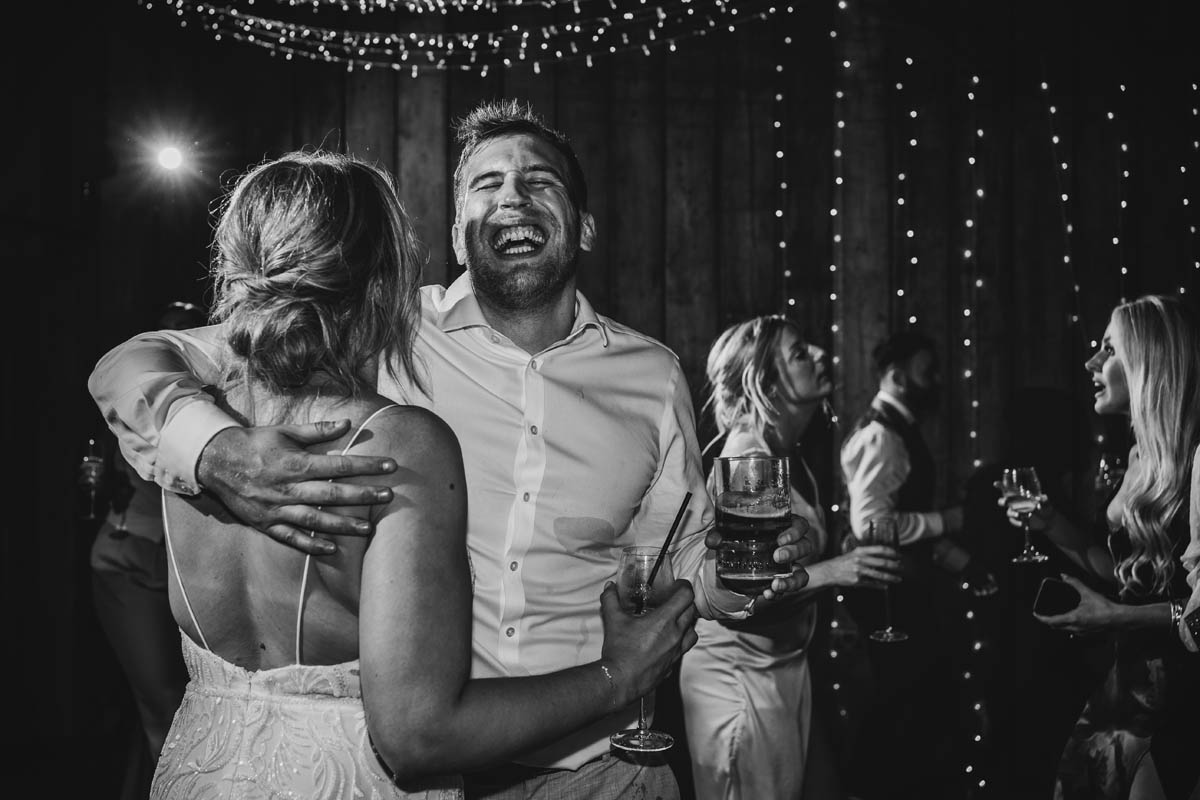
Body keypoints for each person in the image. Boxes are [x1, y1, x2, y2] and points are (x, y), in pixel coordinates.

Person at [88, 101, 811, 799]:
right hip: (434, 763)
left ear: (583, 226)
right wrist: (214, 449)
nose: (514, 198)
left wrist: (725, 583)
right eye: (486, 184)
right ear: (459, 234)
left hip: (601, 767)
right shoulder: (377, 330)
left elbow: (670, 548)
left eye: (540, 182)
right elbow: (131, 364)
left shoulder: (651, 374)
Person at [679, 314, 902, 800]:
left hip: (786, 672)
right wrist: (839, 571)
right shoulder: (749, 460)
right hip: (738, 680)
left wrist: (834, 555)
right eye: (801, 353)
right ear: (764, 382)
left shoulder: (792, 455)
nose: (822, 354)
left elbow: (786, 559)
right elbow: (745, 600)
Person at [1003, 294, 1200, 800]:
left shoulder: (1197, 458)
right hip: (1127, 685)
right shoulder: (1137, 456)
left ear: (1145, 363)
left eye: (1107, 349)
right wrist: (1051, 525)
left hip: (1182, 694)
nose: (1092, 363)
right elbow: (1122, 575)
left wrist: (1111, 617)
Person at [836, 328, 994, 799]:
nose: (939, 380)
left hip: (908, 585)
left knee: (920, 705)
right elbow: (871, 526)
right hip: (888, 595)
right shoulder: (882, 435)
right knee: (906, 707)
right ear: (898, 376)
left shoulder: (899, 428)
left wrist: (960, 560)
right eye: (929, 371)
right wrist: (951, 520)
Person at [88, 301, 205, 799]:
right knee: (158, 702)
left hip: (187, 570)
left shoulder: (216, 407)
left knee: (186, 704)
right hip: (128, 560)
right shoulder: (136, 406)